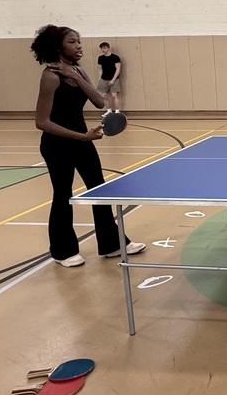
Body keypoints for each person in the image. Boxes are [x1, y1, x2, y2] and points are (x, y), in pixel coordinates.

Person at [31, 25, 145, 267]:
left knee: (98, 190)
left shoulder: (77, 71)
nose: (79, 45)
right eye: (72, 42)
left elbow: (97, 101)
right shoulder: (50, 76)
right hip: (57, 144)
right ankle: (62, 251)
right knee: (62, 195)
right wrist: (81, 137)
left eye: (78, 40)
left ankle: (112, 244)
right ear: (58, 47)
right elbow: (41, 122)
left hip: (82, 139)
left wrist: (74, 75)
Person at [97, 42, 122, 112]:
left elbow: (118, 69)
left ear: (108, 48)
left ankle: (117, 111)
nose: (103, 50)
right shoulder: (100, 58)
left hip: (114, 79)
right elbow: (100, 69)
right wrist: (99, 78)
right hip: (104, 79)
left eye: (104, 48)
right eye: (102, 48)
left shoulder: (115, 57)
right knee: (104, 96)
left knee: (114, 95)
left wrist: (113, 80)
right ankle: (109, 111)